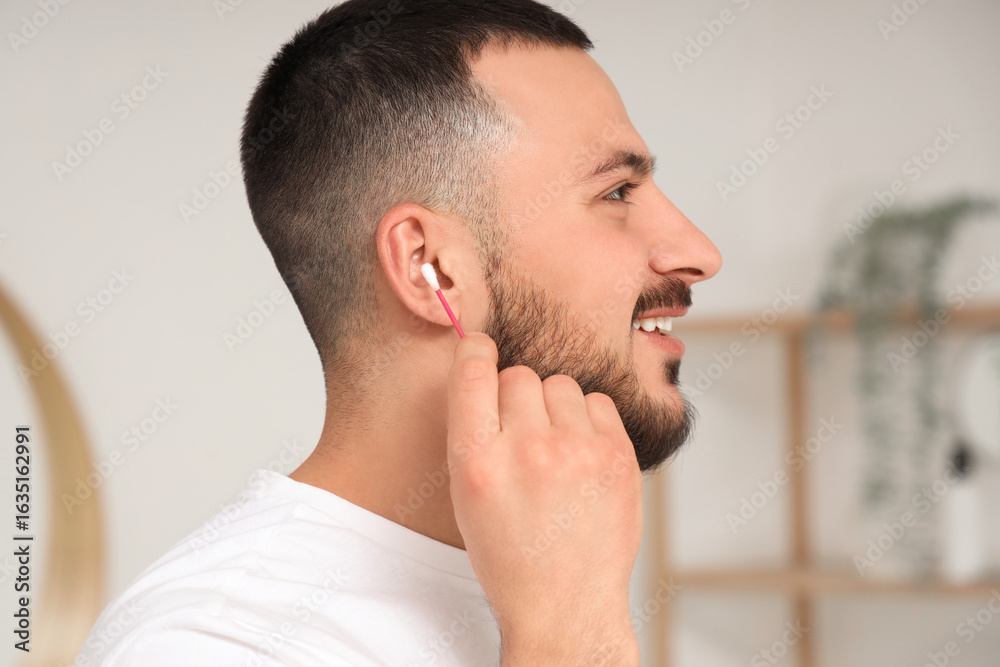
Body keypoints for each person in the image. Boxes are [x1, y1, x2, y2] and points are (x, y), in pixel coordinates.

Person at [75, 0, 721, 664]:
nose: (700, 250)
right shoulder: (211, 643)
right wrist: (571, 636)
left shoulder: (548, 575)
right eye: (616, 192)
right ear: (429, 268)